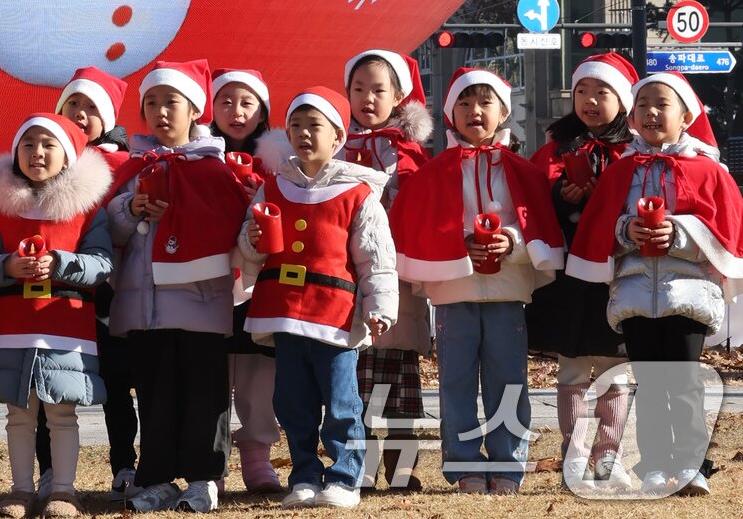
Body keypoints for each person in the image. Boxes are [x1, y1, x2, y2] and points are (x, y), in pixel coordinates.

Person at [567, 70, 743, 497]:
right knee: (648, 384)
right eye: (642, 104)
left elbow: (725, 228)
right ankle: (655, 465)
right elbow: (603, 226)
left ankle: (691, 465)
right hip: (634, 295)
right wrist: (628, 231)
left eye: (661, 104)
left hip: (690, 294)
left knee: (684, 381)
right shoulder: (622, 170)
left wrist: (678, 235)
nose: (650, 112)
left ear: (686, 115)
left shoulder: (707, 170)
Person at [389, 67, 562, 494]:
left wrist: (513, 242)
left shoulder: (523, 171)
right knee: (456, 381)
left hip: (507, 292)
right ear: (451, 114)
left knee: (509, 380)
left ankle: (507, 466)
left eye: (485, 102)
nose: (475, 111)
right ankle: (465, 466)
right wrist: (455, 245)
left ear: (504, 110)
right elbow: (422, 224)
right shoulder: (434, 171)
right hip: (453, 292)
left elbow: (537, 222)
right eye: (464, 103)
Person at [238, 87, 397, 510]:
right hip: (285, 313)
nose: (304, 134)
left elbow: (375, 257)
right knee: (292, 402)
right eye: (296, 125)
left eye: (314, 126)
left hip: (336, 314)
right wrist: (252, 240)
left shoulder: (358, 193)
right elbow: (248, 248)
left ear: (338, 136)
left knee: (342, 400)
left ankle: (346, 477)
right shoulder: (272, 187)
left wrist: (381, 306)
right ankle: (304, 475)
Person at [106, 58, 252, 514]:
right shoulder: (132, 167)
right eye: (151, 103)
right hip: (145, 308)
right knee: (154, 392)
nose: (161, 112)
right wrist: (130, 210)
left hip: (202, 305)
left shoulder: (216, 167)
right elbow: (109, 229)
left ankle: (205, 476)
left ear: (195, 111)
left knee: (204, 393)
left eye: (172, 102)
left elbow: (233, 223)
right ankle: (156, 477)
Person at [0, 111, 114, 519]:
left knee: (62, 412)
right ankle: (19, 491)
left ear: (67, 154)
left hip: (64, 324)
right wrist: (6, 266)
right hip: (10, 326)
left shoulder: (87, 209)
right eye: (28, 144)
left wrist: (62, 264)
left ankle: (64, 492)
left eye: (48, 145)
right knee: (17, 413)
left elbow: (102, 264)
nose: (37, 153)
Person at [527, 52, 636, 490]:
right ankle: (574, 456)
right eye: (582, 91)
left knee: (617, 365)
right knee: (571, 365)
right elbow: (532, 198)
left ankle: (609, 455)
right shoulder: (556, 146)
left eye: (602, 92)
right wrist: (562, 195)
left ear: (623, 99)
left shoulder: (635, 149)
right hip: (570, 276)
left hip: (617, 270)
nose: (590, 100)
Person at [339, 50, 432, 493]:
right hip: (346, 272)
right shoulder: (334, 143)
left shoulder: (409, 152)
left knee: (399, 375)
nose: (368, 99)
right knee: (355, 375)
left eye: (378, 90)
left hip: (395, 273)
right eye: (359, 89)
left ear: (399, 96)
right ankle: (359, 462)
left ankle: (401, 463)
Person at [44, 68, 136, 494]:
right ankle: (52, 474)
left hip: (115, 293)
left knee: (119, 384)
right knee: (52, 386)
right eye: (72, 105)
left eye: (91, 108)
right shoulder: (46, 158)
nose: (80, 114)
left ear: (109, 117)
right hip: (60, 294)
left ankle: (125, 465)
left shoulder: (126, 164)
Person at [208, 66, 282, 495]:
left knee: (259, 377)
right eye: (226, 102)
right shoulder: (198, 155)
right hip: (212, 282)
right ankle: (212, 462)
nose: (236, 112)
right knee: (213, 378)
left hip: (261, 285)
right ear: (211, 108)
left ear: (263, 109)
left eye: (247, 102)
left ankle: (258, 459)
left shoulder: (281, 159)